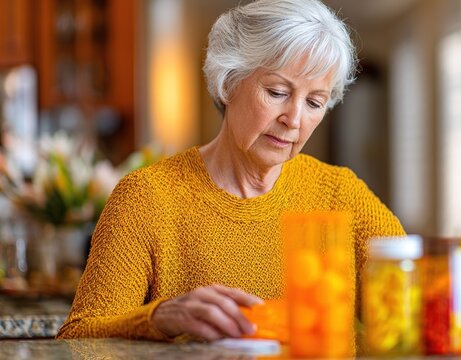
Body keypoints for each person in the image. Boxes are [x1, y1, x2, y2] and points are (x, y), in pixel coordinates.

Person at [57, 0, 404, 341]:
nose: (294, 120)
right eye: (277, 92)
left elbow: (408, 308)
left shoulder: (341, 195)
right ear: (228, 82)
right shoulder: (146, 198)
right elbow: (77, 340)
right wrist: (158, 318)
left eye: (314, 102)